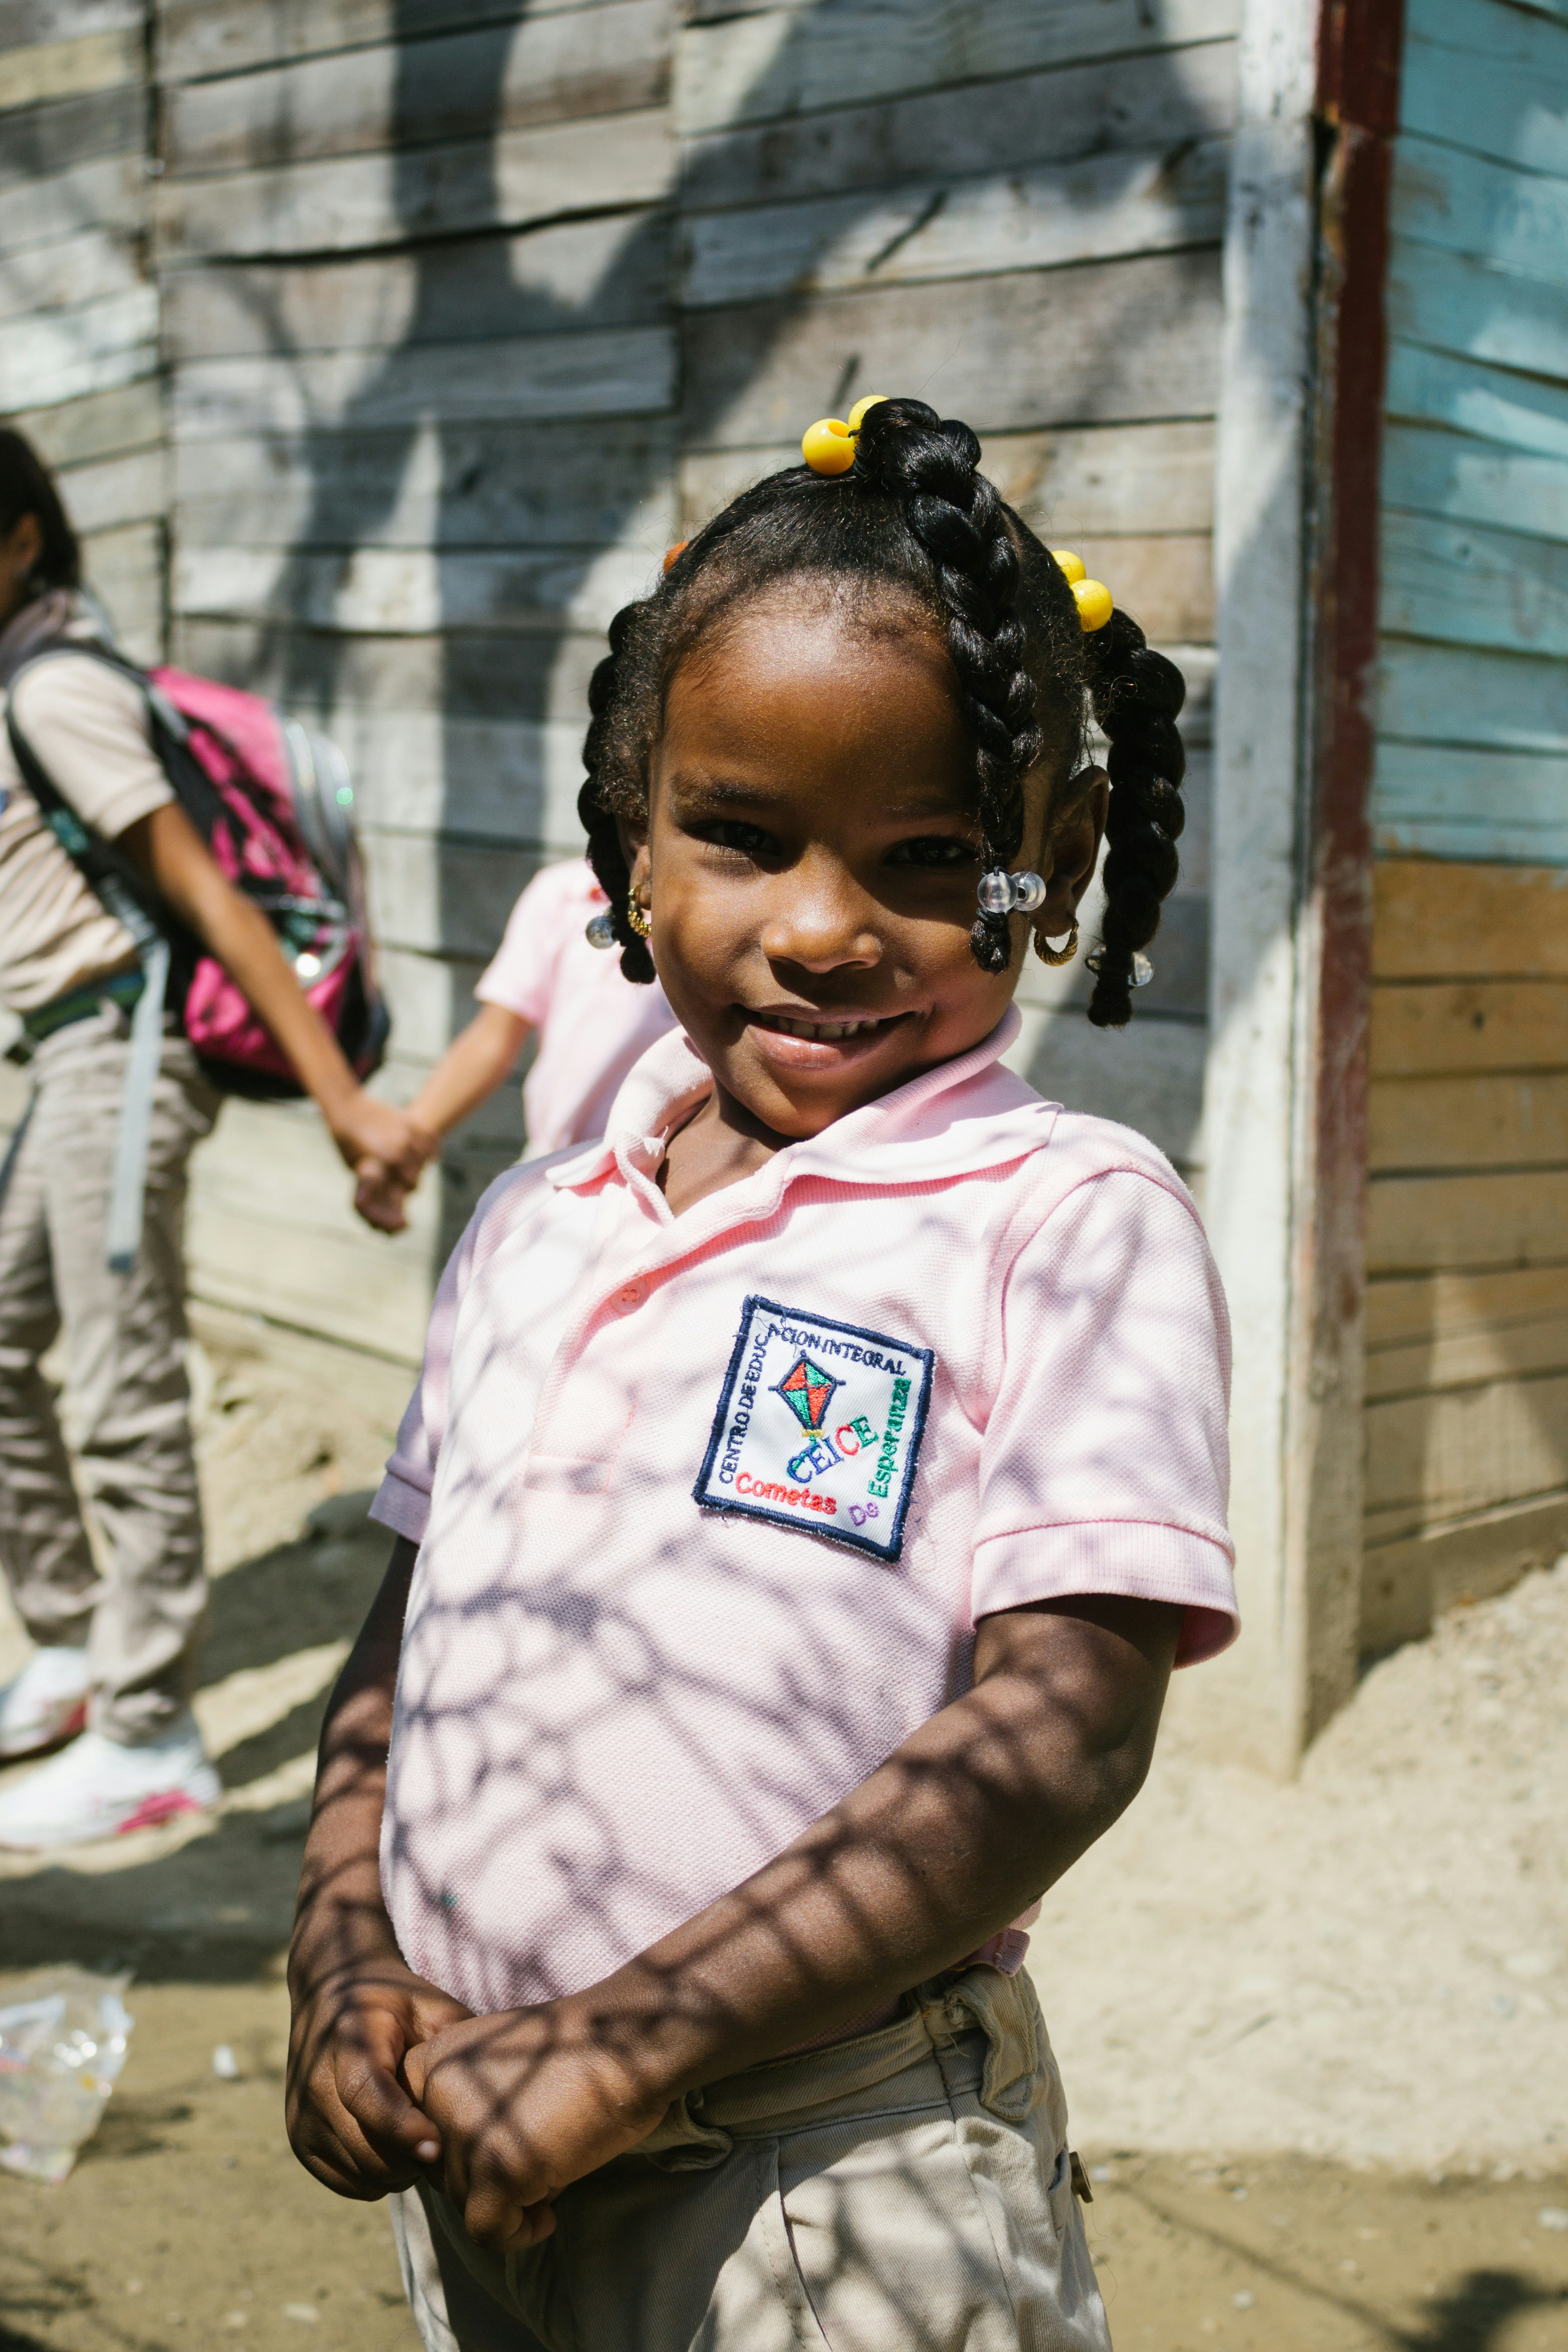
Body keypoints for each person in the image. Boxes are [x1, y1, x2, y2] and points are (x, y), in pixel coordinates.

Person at [286, 396, 1237, 2352]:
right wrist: (339, 1949)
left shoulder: (1054, 1216)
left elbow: (1058, 1731)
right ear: (625, 846)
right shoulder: (538, 1213)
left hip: (833, 2172)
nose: (819, 926)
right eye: (737, 833)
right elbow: (409, 1624)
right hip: (480, 2131)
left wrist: (636, 2036)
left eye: (926, 856)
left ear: (1051, 861)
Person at [0, 428, 428, 1849]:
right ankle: (72, 1643)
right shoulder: (29, 681)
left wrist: (344, 1100)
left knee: (123, 1369)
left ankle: (150, 1732)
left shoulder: (57, 691)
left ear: (18, 543)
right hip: (62, 1054)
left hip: (119, 1057)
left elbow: (214, 904)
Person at [352, 856, 675, 1234]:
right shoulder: (566, 892)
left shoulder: (712, 904)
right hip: (554, 1175)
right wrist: (404, 1146)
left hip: (665, 1196)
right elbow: (494, 1036)